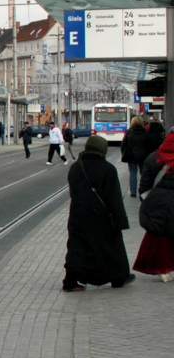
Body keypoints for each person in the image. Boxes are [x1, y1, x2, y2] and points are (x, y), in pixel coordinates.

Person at [63, 135, 134, 291]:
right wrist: (120, 220)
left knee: (78, 247)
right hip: (101, 216)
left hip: (78, 214)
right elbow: (114, 198)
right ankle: (118, 277)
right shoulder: (107, 168)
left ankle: (71, 280)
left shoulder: (76, 167)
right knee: (112, 247)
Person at [136, 129, 174, 283]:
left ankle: (161, 269)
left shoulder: (153, 158)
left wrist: (146, 201)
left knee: (158, 239)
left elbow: (144, 186)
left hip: (157, 204)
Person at [120, 116, 147, 197]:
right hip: (143, 156)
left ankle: (133, 192)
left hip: (131, 156)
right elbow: (149, 145)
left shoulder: (129, 133)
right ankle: (143, 190)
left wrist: (124, 153)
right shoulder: (145, 132)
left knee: (133, 173)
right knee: (143, 173)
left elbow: (123, 144)